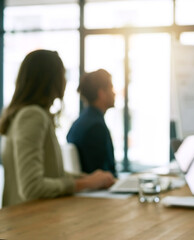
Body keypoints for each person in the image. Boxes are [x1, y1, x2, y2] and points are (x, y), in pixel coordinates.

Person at [0, 50, 115, 207]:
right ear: (51, 79)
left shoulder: (26, 114)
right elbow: (32, 187)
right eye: (63, 74)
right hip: (30, 222)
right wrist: (85, 183)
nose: (65, 81)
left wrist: (87, 179)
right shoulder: (33, 115)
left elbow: (52, 173)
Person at [67, 69, 117, 177]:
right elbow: (103, 174)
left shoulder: (80, 122)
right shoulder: (96, 127)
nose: (114, 93)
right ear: (101, 93)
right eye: (111, 88)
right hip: (98, 191)